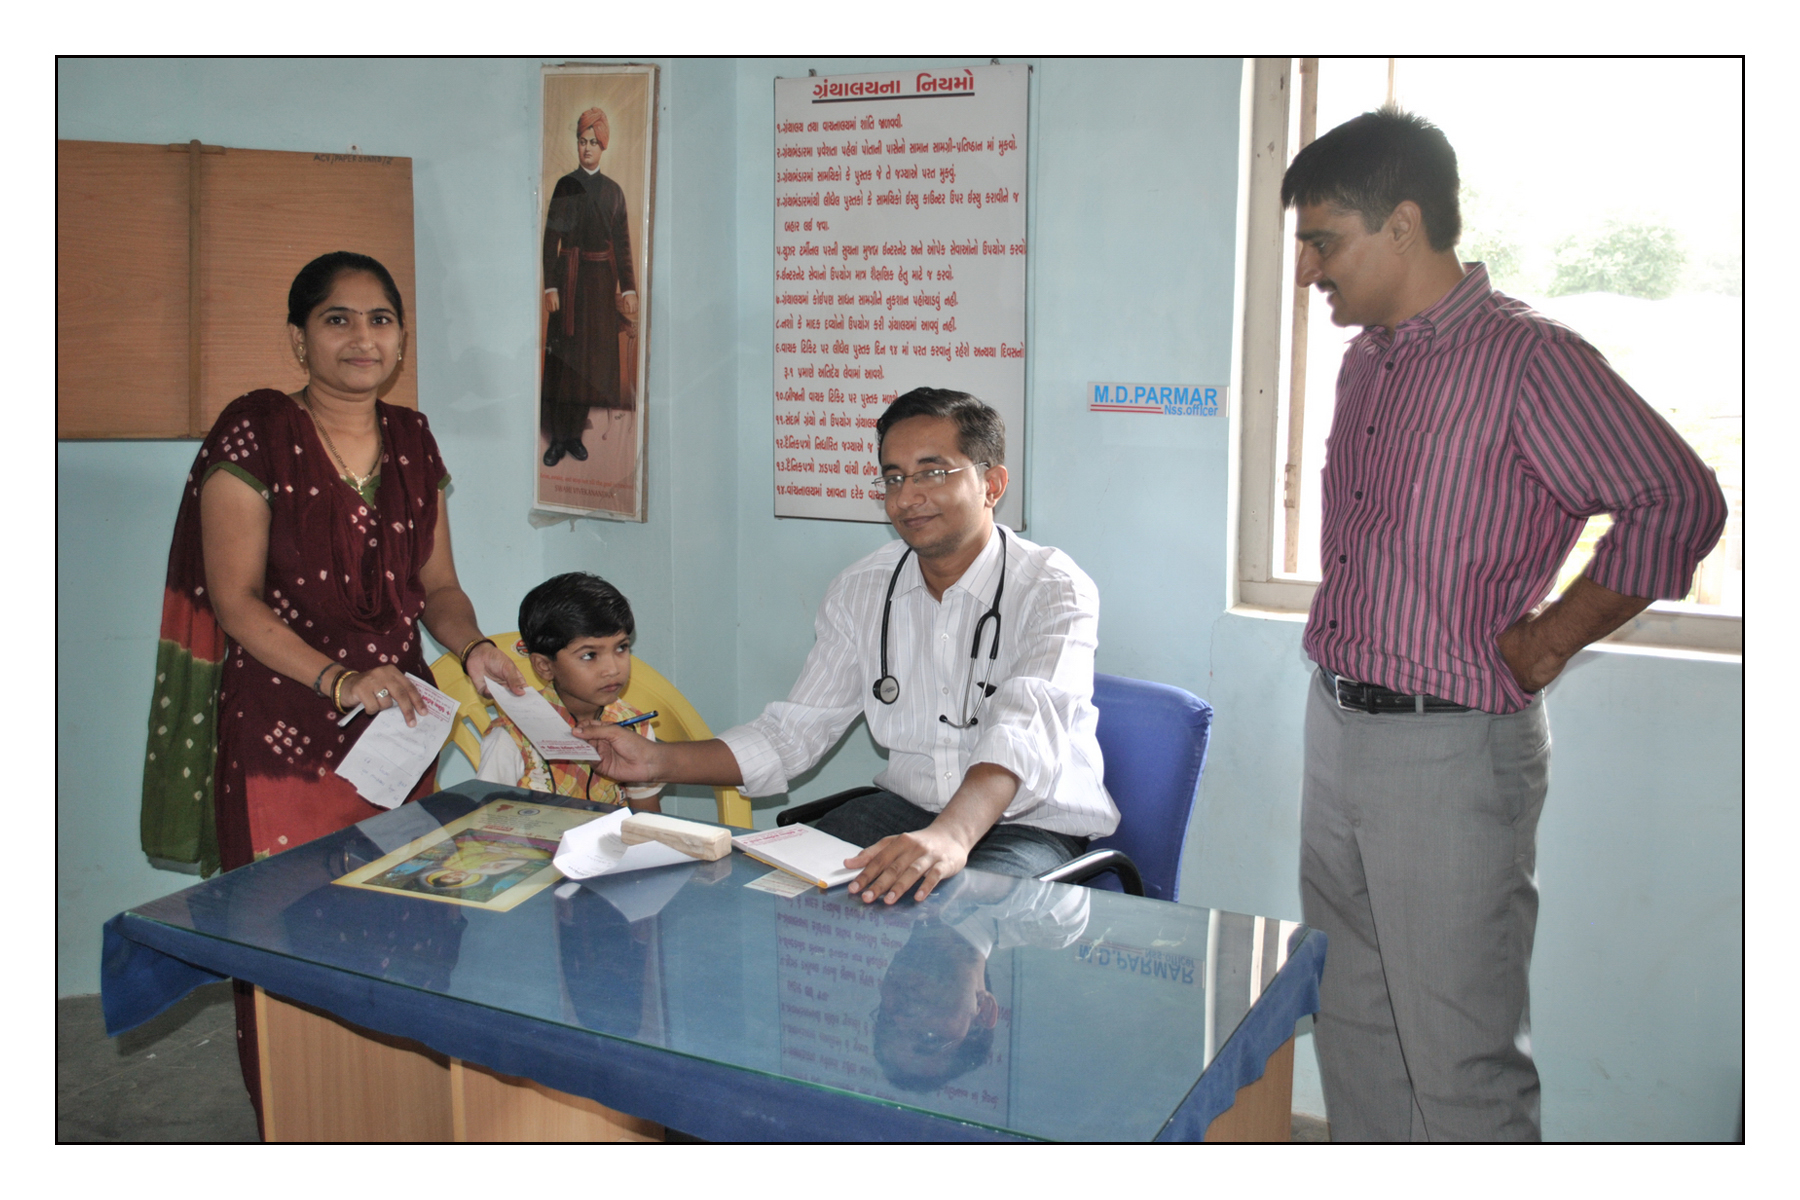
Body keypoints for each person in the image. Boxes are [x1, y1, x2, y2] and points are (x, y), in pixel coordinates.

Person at [1280, 108, 1728, 1141]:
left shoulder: (1528, 359)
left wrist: (1552, 635)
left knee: (1456, 1051)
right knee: (1352, 1016)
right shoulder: (1371, 361)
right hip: (1337, 723)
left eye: (1323, 240)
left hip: (1447, 748)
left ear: (1402, 226)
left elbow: (1679, 500)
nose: (1309, 270)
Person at [139, 249, 527, 1133]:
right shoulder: (255, 434)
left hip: (397, 733)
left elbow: (440, 589)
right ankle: (302, 1121)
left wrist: (474, 652)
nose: (363, 337)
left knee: (407, 918)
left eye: (381, 319)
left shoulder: (416, 441)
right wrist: (343, 678)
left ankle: (399, 1113)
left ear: (400, 338)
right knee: (288, 932)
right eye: (338, 319)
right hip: (284, 727)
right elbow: (234, 604)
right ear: (298, 338)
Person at [585, 387, 1117, 906]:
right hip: (906, 810)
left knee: (958, 919)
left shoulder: (1053, 587)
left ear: (991, 484)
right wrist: (655, 762)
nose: (906, 497)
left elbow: (1020, 732)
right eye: (893, 478)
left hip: (1026, 823)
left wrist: (950, 838)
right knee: (767, 889)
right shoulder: (863, 589)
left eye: (933, 472)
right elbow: (793, 733)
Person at [476, 572, 663, 810]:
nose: (612, 669)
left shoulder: (634, 727)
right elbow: (487, 825)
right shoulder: (511, 738)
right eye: (589, 655)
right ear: (544, 666)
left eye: (621, 648)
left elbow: (647, 822)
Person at [540, 106, 639, 468]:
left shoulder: (614, 192)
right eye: (582, 141)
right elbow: (552, 239)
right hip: (570, 284)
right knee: (565, 362)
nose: (587, 148)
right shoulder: (566, 185)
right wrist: (550, 285)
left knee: (590, 365)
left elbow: (623, 244)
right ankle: (558, 439)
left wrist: (628, 288)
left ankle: (575, 436)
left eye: (594, 142)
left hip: (599, 289)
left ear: (603, 146)